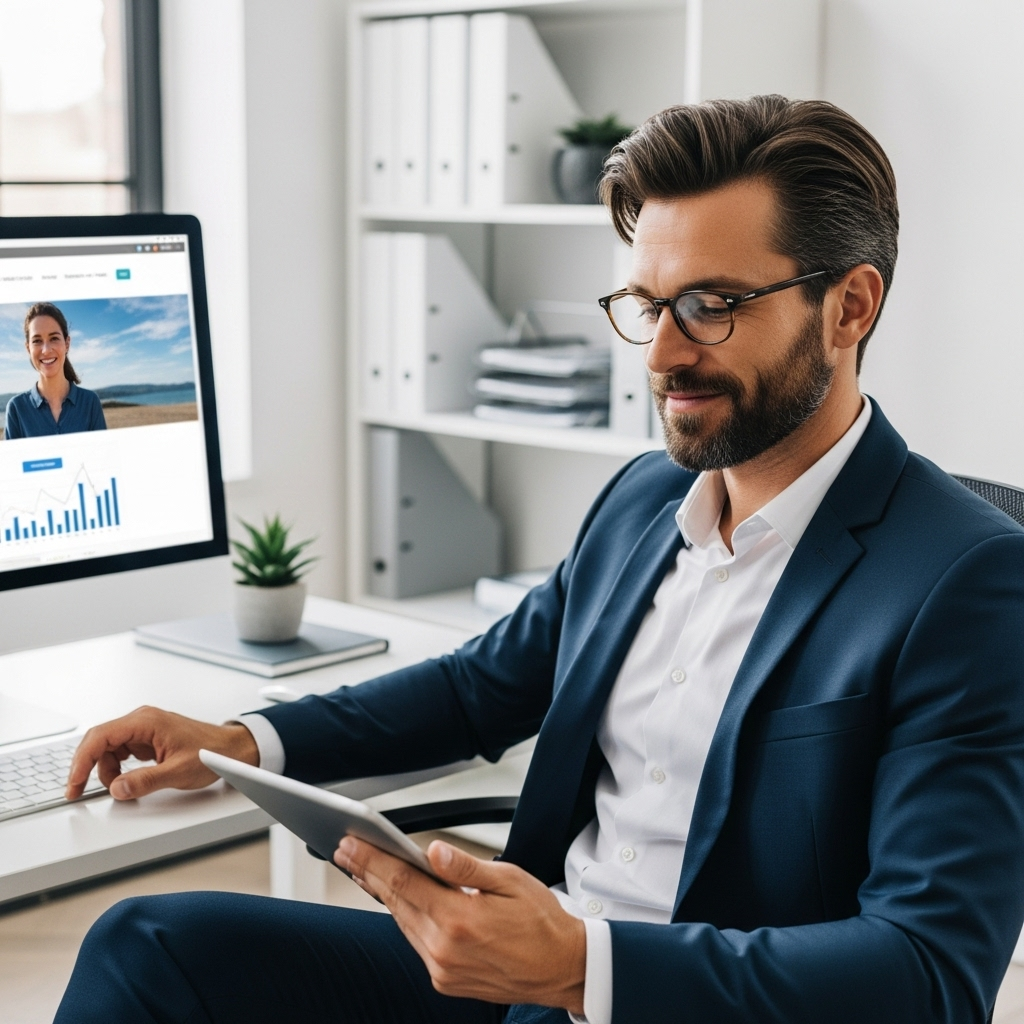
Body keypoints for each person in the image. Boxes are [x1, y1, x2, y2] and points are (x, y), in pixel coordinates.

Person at [57, 96, 1024, 1024]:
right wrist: (242, 743)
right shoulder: (641, 502)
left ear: (848, 307)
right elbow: (479, 688)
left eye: (711, 305)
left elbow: (929, 976)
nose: (660, 356)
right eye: (647, 305)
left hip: (674, 1001)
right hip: (523, 988)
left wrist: (579, 964)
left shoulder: (968, 583)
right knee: (149, 941)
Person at [3, 301, 106, 440]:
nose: (46, 350)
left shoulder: (90, 403)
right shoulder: (16, 409)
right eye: (37, 341)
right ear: (28, 348)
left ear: (67, 344)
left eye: (54, 338)